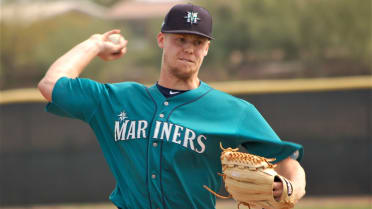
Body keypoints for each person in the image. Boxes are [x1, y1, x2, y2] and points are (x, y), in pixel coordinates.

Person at [38, 3, 306, 209]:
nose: (189, 49)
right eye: (181, 39)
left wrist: (290, 187)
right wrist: (94, 44)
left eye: (198, 42)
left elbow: (288, 162)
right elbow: (50, 85)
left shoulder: (234, 111)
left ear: (207, 49)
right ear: (161, 40)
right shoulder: (116, 100)